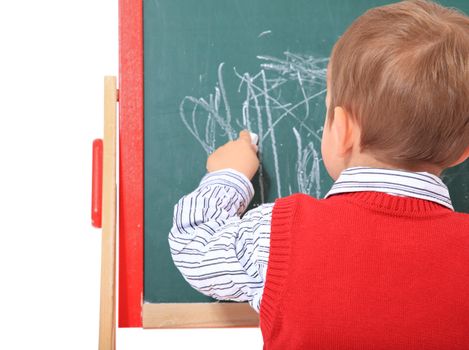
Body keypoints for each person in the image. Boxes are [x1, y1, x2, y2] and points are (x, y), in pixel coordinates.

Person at [168, 1, 469, 348]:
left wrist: (229, 176)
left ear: (341, 130)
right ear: (464, 151)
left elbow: (195, 246)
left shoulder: (278, 236)